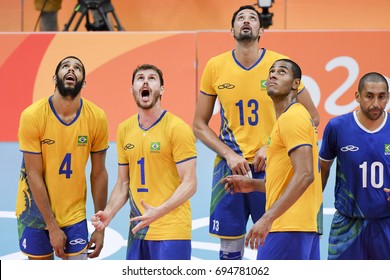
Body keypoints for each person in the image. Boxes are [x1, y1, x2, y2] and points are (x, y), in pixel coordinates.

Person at [192, 4, 320, 260]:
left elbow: (313, 117)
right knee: (230, 250)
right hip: (232, 167)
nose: (246, 21)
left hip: (272, 167)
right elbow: (199, 125)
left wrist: (269, 145)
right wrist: (229, 155)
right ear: (232, 29)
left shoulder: (278, 66)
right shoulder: (215, 66)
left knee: (273, 239)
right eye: (241, 18)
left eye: (253, 18)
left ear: (262, 29)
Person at [91, 64, 197, 260]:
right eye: (140, 78)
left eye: (152, 78)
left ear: (161, 90)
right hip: (138, 230)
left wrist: (158, 212)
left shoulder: (177, 128)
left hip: (171, 231)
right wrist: (108, 213)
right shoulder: (125, 129)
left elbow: (190, 183)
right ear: (132, 90)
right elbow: (123, 183)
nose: (145, 81)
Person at [223, 59, 322, 260]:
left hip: (287, 227)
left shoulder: (292, 118)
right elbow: (290, 179)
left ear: (296, 84)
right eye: (271, 72)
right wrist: (253, 184)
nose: (273, 75)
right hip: (300, 227)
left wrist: (267, 218)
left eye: (282, 72)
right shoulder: (288, 119)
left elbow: (305, 175)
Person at [16, 56, 109, 260]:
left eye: (77, 68)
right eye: (65, 66)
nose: (71, 69)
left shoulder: (96, 117)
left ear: (83, 82)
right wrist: (52, 226)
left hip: (74, 212)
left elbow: (99, 173)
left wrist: (100, 228)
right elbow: (33, 174)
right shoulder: (32, 116)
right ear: (54, 78)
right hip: (36, 213)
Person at [319, 72, 390, 260]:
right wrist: (313, 209)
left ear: (388, 97)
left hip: (386, 223)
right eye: (369, 96)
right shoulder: (337, 126)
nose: (376, 103)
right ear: (357, 96)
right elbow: (323, 170)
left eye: (382, 96)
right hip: (346, 225)